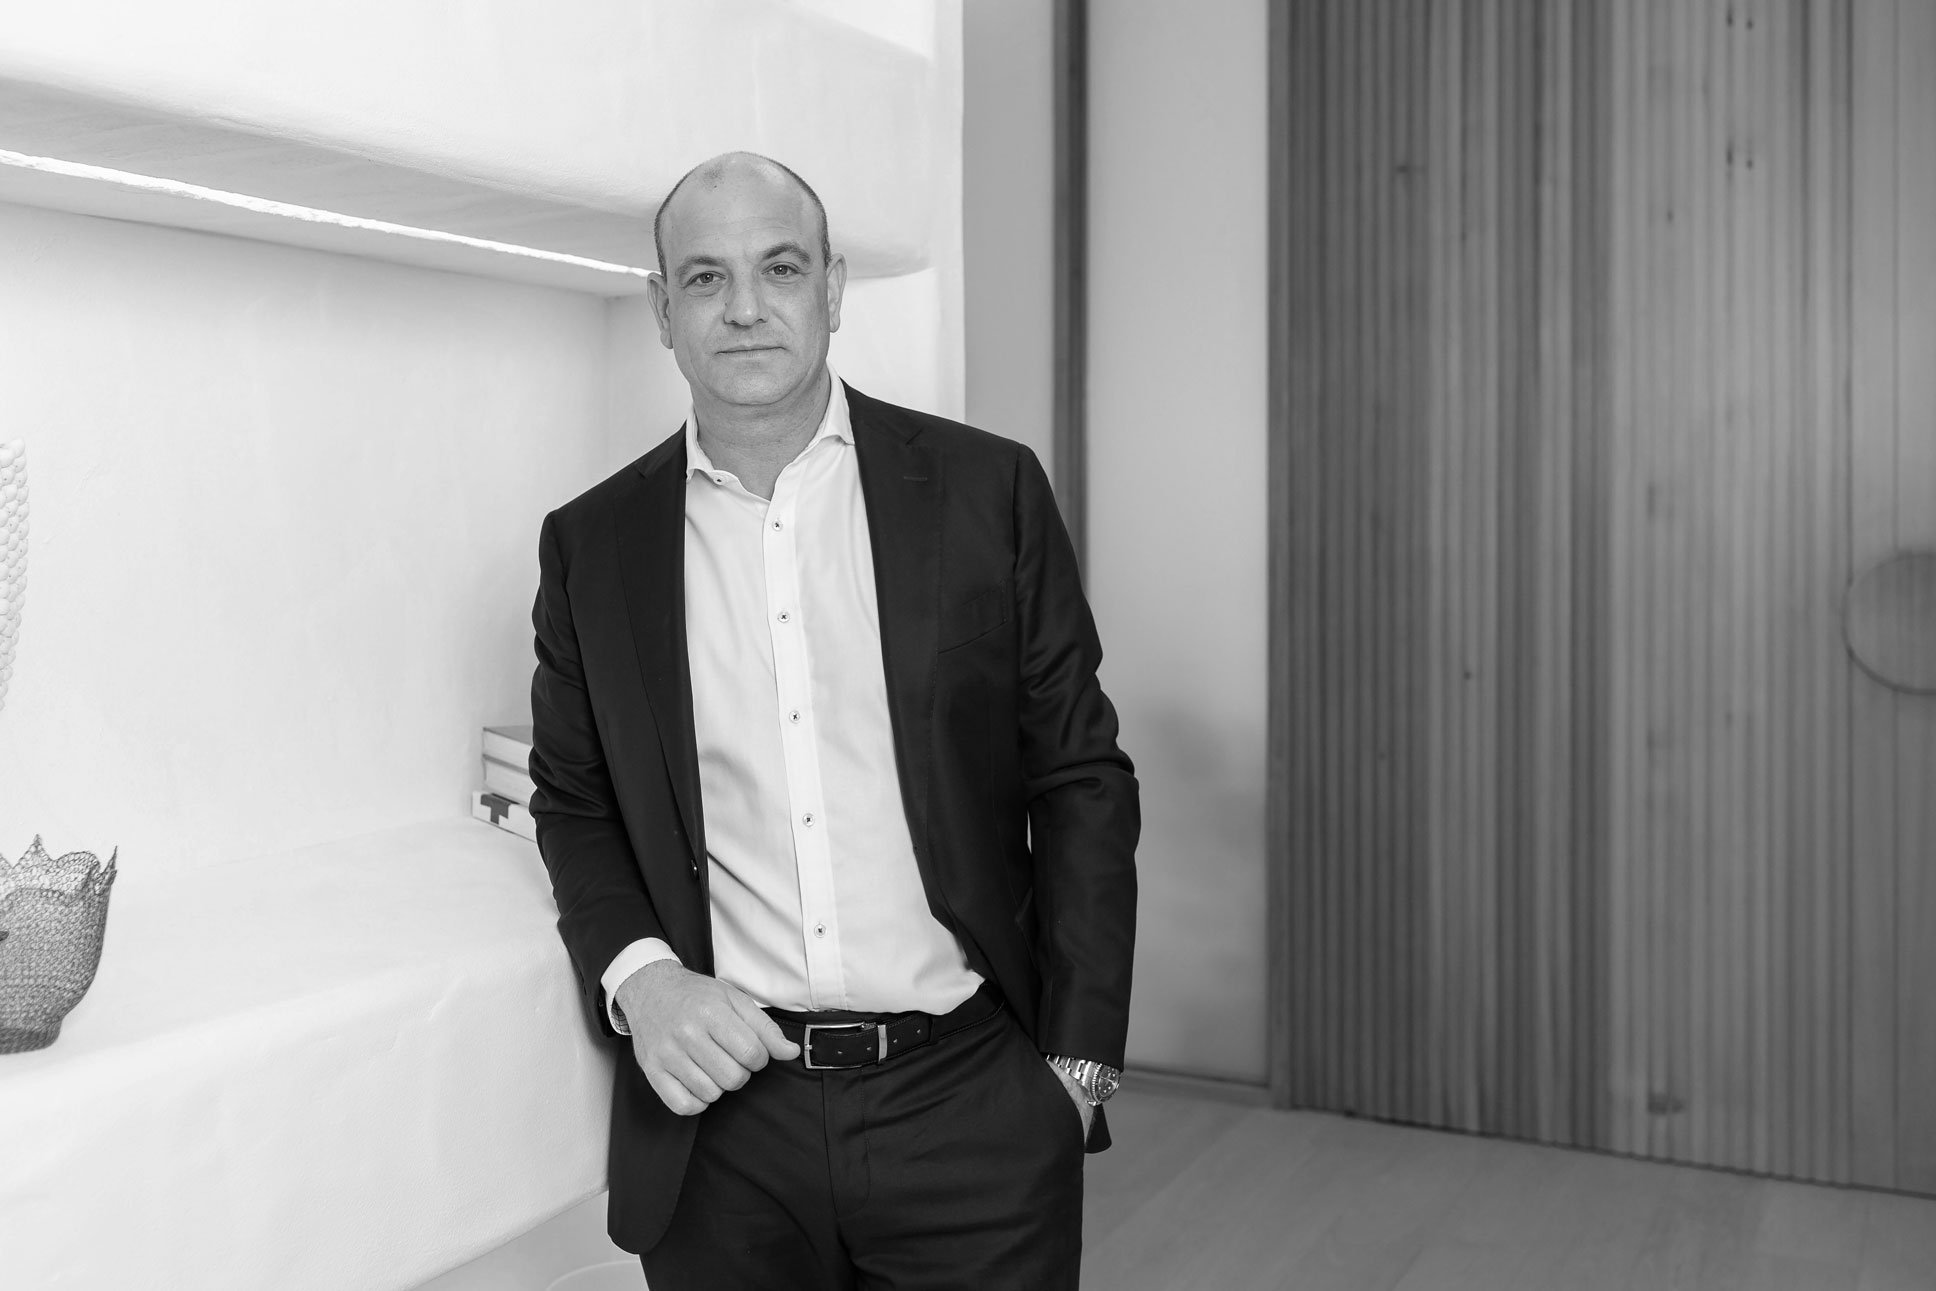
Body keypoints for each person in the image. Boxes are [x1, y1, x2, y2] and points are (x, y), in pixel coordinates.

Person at [527, 151, 1138, 1289]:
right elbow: (575, 798)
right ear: (662, 310)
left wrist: (1080, 1068)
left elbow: (1081, 777)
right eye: (705, 278)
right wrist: (642, 977)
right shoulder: (590, 546)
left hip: (970, 1099)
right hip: (722, 1130)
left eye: (780, 268)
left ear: (834, 288)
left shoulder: (988, 490)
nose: (745, 308)